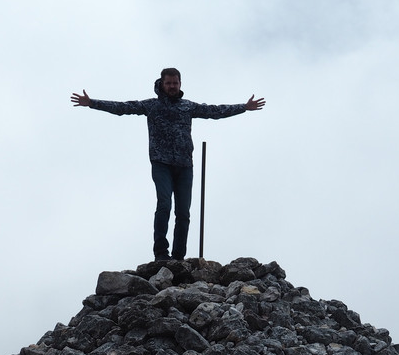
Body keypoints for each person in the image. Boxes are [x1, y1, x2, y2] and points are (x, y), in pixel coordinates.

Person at [71, 68, 265, 260]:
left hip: (184, 165)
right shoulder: (151, 106)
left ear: (180, 84)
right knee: (164, 204)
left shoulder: (188, 106)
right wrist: (92, 103)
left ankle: (178, 256)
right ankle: (161, 253)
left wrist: (243, 107)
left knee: (183, 213)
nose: (172, 86)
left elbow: (213, 111)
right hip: (161, 163)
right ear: (162, 84)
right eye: (168, 83)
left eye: (175, 83)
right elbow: (123, 107)